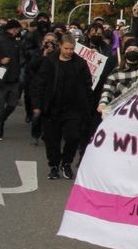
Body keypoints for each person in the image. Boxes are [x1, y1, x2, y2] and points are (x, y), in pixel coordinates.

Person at [32, 34, 93, 180]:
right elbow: (39, 83)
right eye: (66, 48)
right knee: (52, 139)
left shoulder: (80, 64)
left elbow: (87, 85)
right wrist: (37, 105)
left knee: (73, 137)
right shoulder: (49, 61)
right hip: (52, 107)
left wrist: (87, 106)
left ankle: (66, 163)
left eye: (72, 49)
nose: (69, 51)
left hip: (73, 108)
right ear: (60, 46)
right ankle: (53, 165)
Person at [0, 20, 24, 141]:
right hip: (1, 77)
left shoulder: (16, 42)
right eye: (17, 30)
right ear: (13, 29)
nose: (18, 32)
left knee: (12, 104)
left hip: (14, 78)